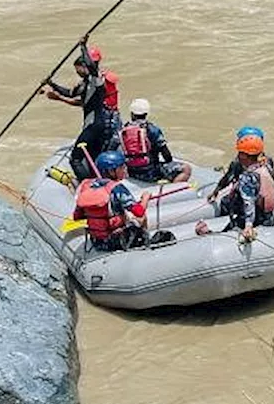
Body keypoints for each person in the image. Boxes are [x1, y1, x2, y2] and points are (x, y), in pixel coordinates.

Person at [43, 36, 117, 183]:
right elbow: (70, 93)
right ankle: (96, 179)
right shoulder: (84, 84)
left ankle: (87, 184)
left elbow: (91, 67)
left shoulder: (96, 80)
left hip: (94, 125)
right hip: (93, 124)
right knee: (91, 155)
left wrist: (82, 46)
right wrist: (51, 83)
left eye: (78, 70)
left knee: (75, 159)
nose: (77, 73)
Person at [201, 131, 274, 241]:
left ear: (244, 155)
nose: (238, 155)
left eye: (240, 153)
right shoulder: (266, 167)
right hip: (268, 217)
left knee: (227, 204)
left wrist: (248, 225)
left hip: (251, 219)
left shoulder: (247, 176)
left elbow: (249, 203)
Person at [73, 150, 151, 251]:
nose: (125, 169)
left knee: (122, 214)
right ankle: (146, 246)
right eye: (121, 167)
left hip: (97, 241)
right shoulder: (117, 188)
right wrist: (145, 198)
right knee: (142, 218)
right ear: (111, 171)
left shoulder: (87, 186)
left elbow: (77, 216)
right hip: (116, 240)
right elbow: (139, 212)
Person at [207, 126, 274, 213]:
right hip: (269, 201)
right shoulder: (268, 161)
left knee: (225, 202)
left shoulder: (238, 163)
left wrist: (215, 192)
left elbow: (227, 179)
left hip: (250, 203)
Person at [116, 98, 192, 183]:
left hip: (131, 171)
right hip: (151, 172)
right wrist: (169, 164)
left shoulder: (123, 130)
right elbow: (166, 154)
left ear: (132, 114)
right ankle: (172, 189)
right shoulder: (152, 129)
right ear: (146, 113)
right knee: (186, 169)